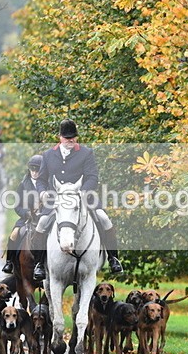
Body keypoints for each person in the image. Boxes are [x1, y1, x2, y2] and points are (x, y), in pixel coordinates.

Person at [31, 119, 123, 281]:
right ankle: (39, 263)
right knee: (42, 223)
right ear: (60, 137)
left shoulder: (86, 153)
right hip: (56, 199)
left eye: (73, 137)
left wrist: (82, 192)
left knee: (104, 218)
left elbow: (92, 177)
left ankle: (113, 258)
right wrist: (43, 192)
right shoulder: (48, 155)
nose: (70, 140)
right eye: (67, 138)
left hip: (83, 197)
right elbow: (41, 179)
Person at [1, 155, 43, 274]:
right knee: (14, 235)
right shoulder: (23, 184)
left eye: (37, 170)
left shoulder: (47, 183)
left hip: (44, 217)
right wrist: (26, 213)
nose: (34, 173)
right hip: (27, 218)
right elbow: (17, 206)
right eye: (32, 169)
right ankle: (9, 262)